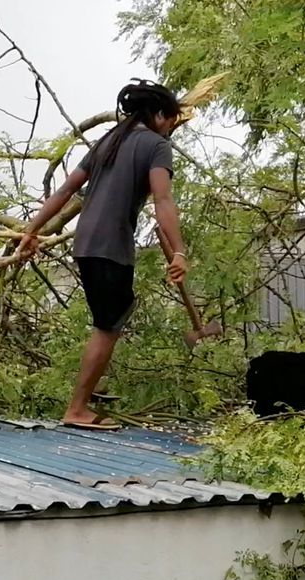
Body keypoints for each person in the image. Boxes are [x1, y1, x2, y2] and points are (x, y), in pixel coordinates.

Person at [19, 79, 189, 430]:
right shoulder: (156, 145)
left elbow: (67, 189)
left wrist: (31, 230)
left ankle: (91, 390)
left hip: (86, 243)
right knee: (107, 326)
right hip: (111, 245)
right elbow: (163, 199)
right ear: (159, 115)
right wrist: (180, 252)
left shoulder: (107, 141)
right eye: (171, 121)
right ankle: (78, 408)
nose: (171, 129)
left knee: (115, 313)